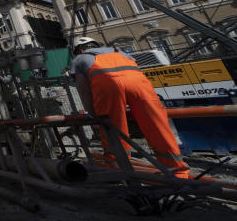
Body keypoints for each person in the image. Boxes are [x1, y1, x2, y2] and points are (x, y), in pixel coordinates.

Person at [69, 36, 189, 178]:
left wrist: (94, 113)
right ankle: (177, 170)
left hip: (109, 84)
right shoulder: (120, 52)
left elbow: (84, 90)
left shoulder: (80, 59)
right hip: (139, 83)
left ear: (80, 49)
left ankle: (118, 168)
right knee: (157, 123)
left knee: (113, 127)